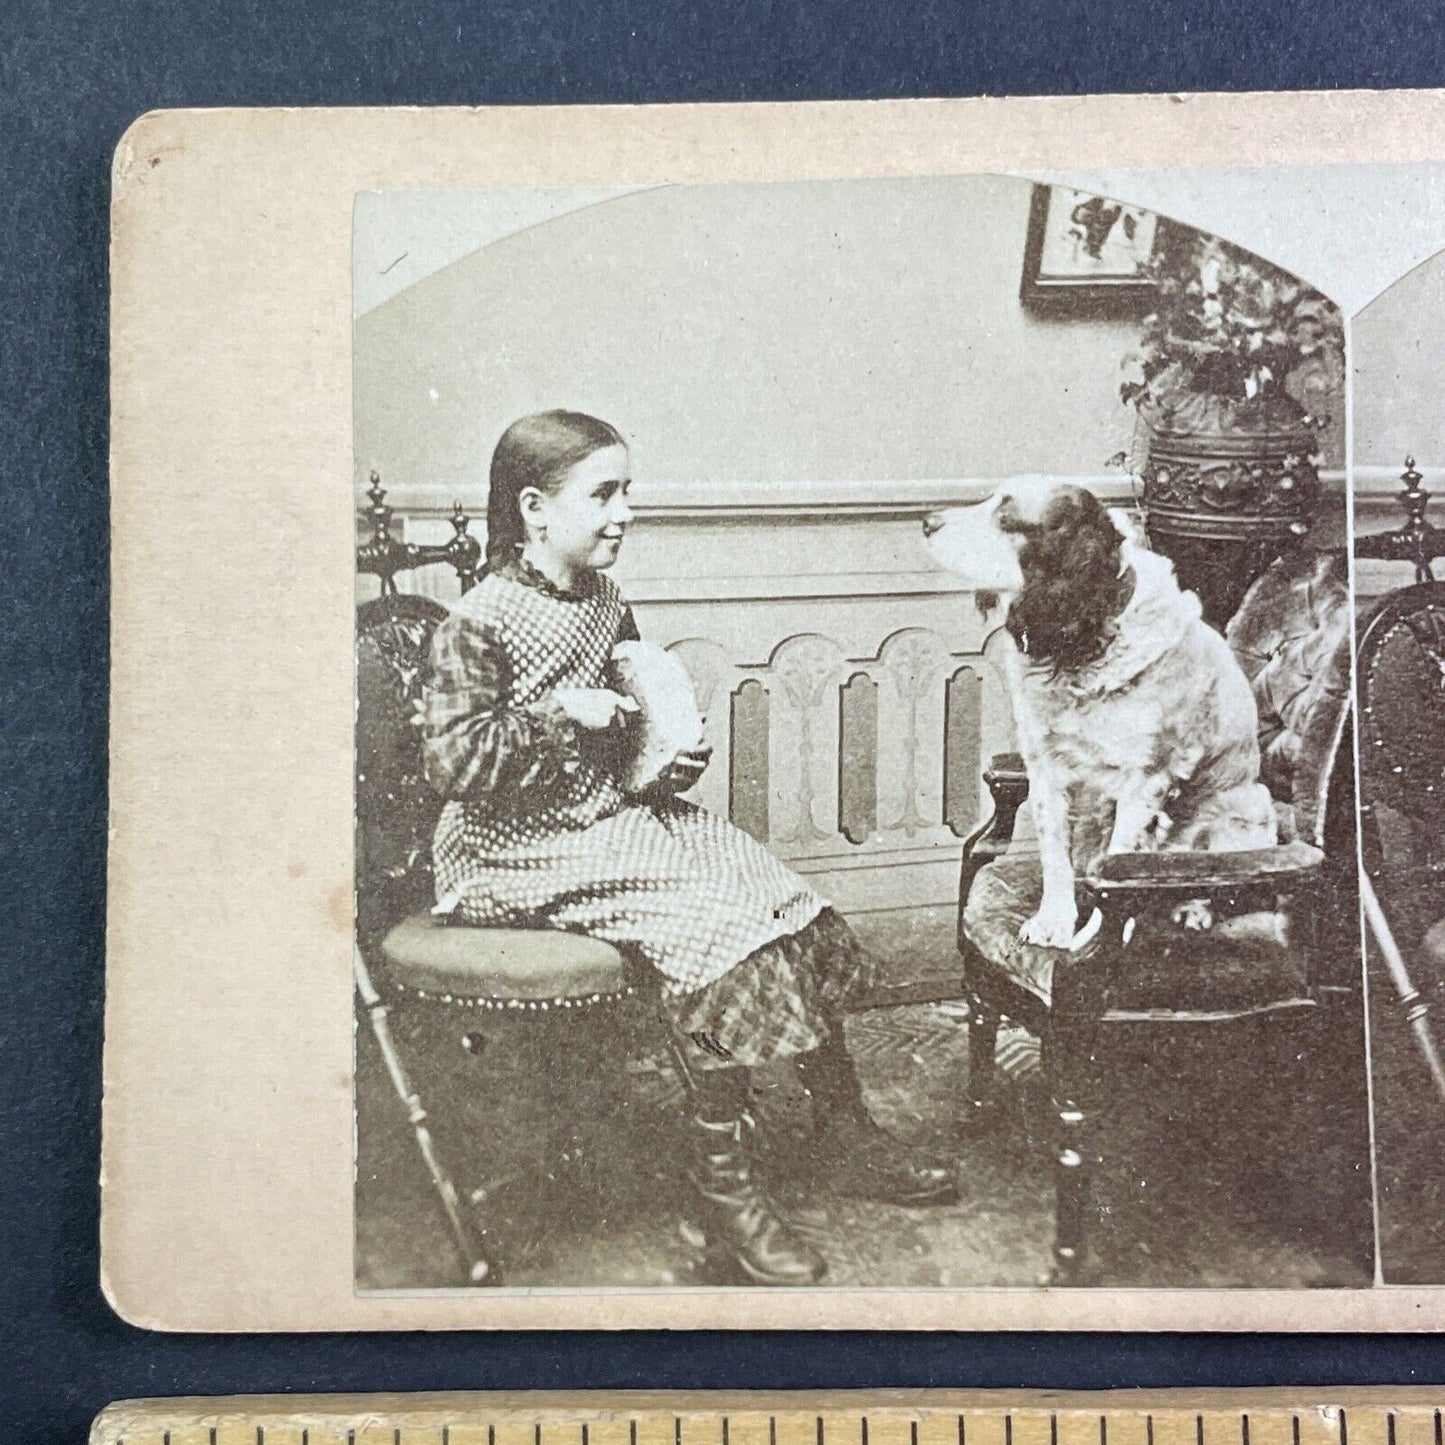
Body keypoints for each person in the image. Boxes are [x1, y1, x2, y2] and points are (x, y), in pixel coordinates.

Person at [421, 409, 957, 1286]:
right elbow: (452, 763)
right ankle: (724, 1192)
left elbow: (634, 707)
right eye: (603, 494)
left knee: (785, 900)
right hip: (510, 846)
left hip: (604, 814)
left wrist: (666, 749)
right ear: (534, 509)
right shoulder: (478, 620)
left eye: (627, 490)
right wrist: (559, 716)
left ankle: (843, 1128)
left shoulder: (601, 600)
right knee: (719, 933)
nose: (624, 512)